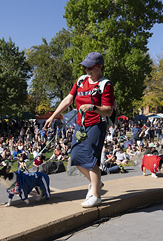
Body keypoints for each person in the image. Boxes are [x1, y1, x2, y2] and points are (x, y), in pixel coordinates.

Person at [45, 52, 114, 208]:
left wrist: (93, 107)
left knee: (90, 160)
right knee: (75, 158)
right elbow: (68, 99)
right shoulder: (81, 81)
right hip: (80, 125)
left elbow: (108, 111)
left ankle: (96, 195)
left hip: (96, 124)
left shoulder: (105, 85)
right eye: (85, 67)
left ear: (100, 66)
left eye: (90, 67)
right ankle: (96, 184)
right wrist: (53, 116)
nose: (87, 70)